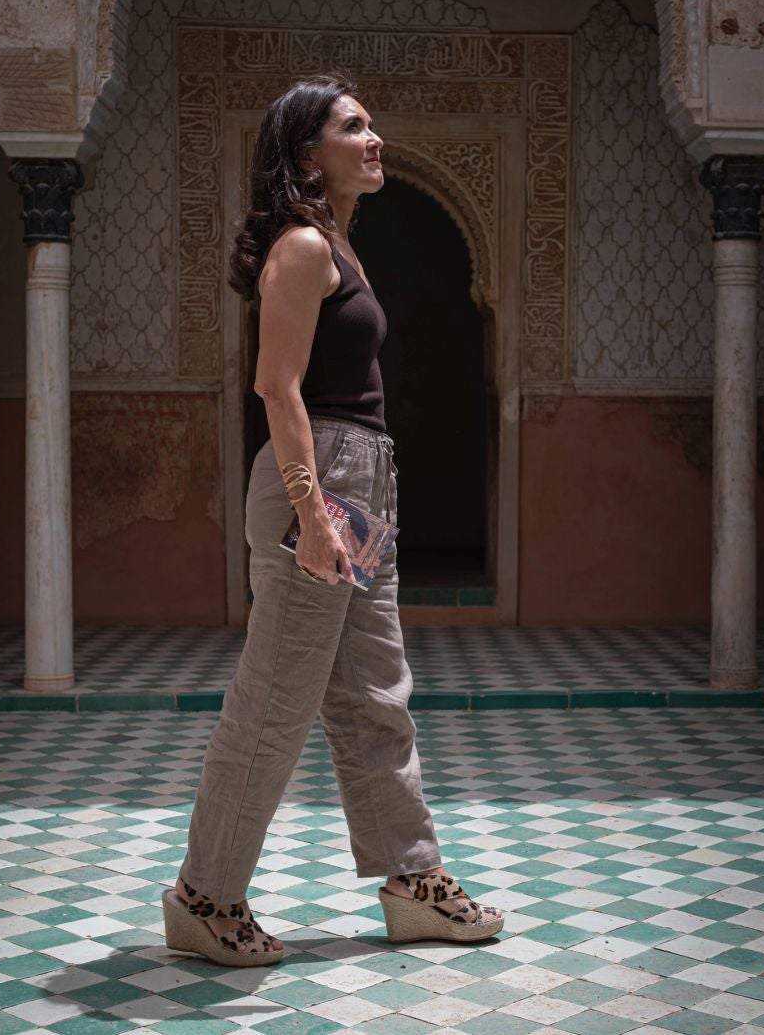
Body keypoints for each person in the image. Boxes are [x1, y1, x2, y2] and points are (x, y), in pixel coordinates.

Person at [161, 74, 506, 967]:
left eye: (372, 124)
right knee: (276, 698)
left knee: (375, 692)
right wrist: (314, 513)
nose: (374, 137)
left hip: (361, 479)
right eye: (354, 127)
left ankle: (411, 878)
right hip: (319, 482)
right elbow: (277, 387)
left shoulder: (341, 247)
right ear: (307, 154)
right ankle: (205, 895)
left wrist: (346, 502)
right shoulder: (304, 246)